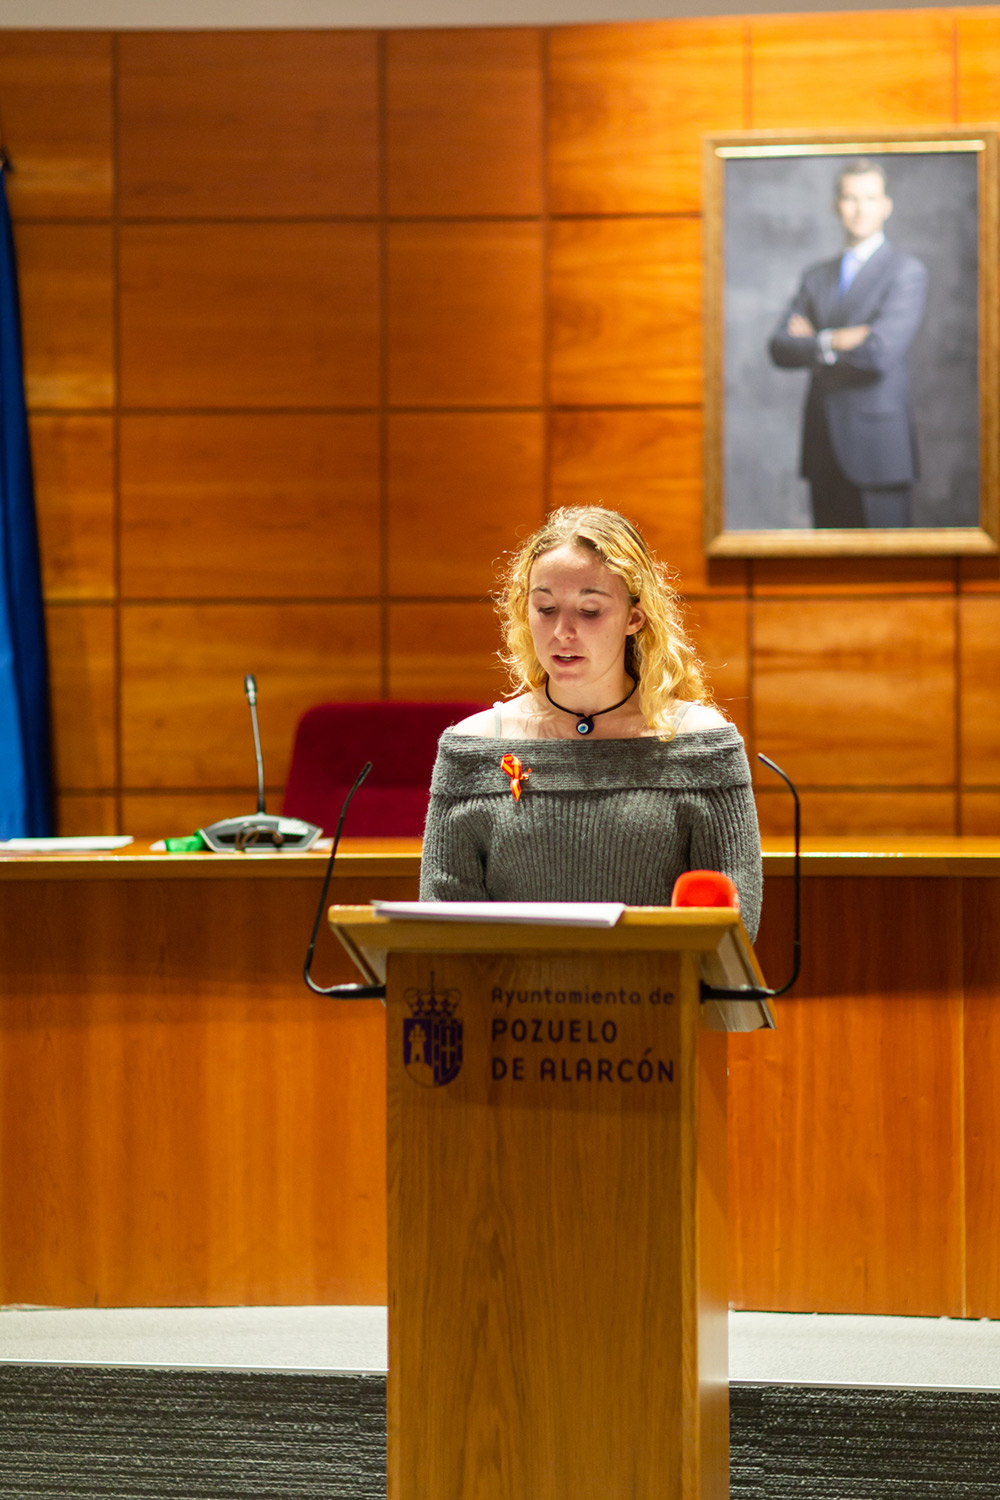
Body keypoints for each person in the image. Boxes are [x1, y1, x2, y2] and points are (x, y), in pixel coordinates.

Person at [419, 507, 762, 938]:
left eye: (590, 611)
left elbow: (732, 928)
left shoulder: (702, 745)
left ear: (634, 618)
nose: (562, 631)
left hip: (658, 1000)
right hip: (512, 1000)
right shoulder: (473, 747)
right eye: (545, 608)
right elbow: (444, 931)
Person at [768, 159, 928, 529]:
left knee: (888, 578)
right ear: (835, 205)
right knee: (830, 580)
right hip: (823, 447)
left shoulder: (906, 271)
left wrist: (813, 342)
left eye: (870, 198)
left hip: (880, 452)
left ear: (886, 205)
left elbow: (878, 354)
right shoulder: (816, 276)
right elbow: (779, 347)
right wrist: (836, 339)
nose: (860, 208)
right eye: (850, 198)